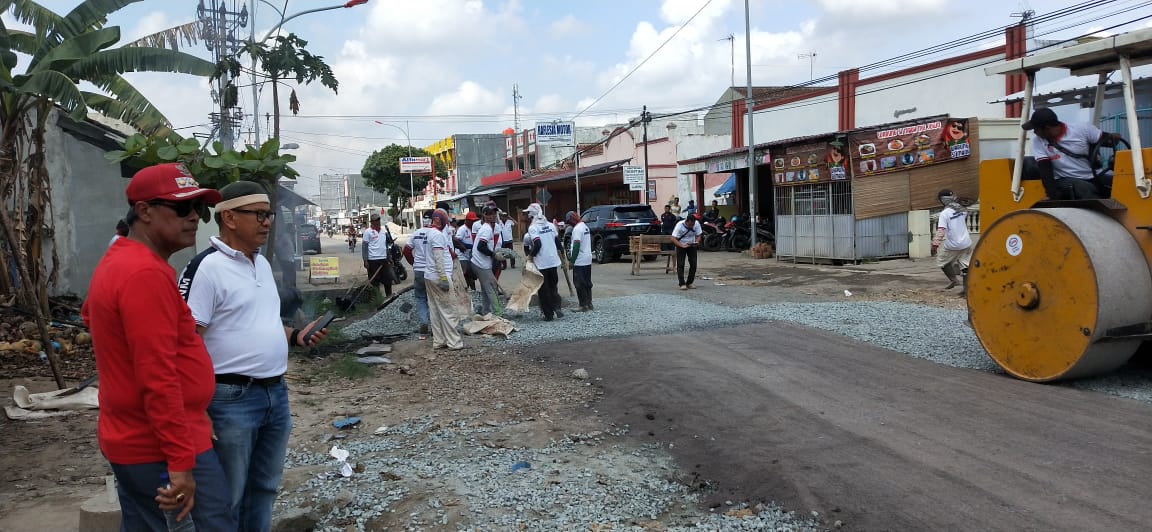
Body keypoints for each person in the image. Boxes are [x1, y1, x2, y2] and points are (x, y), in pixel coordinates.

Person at [81, 162, 234, 530]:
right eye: (181, 208)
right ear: (145, 211)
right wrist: (180, 462)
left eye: (197, 208)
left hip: (137, 435)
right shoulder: (144, 273)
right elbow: (158, 376)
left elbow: (91, 315)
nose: (194, 218)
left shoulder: (121, 259)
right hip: (160, 445)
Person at [180, 181, 328, 531]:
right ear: (229, 218)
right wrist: (196, 411)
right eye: (259, 215)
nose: (267, 223)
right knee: (226, 496)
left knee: (263, 487)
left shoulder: (259, 264)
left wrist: (296, 336)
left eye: (269, 214)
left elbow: (262, 321)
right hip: (230, 399)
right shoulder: (207, 269)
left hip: (275, 394)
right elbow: (187, 343)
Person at [1024, 107, 1121, 200]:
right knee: (1084, 188)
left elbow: (1109, 140)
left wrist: (1114, 138)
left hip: (1093, 175)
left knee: (1120, 184)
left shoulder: (1082, 129)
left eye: (1036, 129)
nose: (1035, 132)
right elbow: (1045, 170)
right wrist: (1052, 195)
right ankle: (1100, 214)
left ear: (1047, 127)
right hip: (1065, 179)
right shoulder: (1038, 142)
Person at [425, 209, 464, 350]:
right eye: (445, 219)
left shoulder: (428, 233)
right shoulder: (437, 235)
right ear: (439, 220)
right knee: (449, 310)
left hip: (429, 275)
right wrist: (443, 278)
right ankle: (454, 342)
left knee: (435, 310)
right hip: (438, 277)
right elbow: (438, 258)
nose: (447, 222)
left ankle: (439, 340)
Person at [524, 202, 564, 321]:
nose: (527, 217)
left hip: (541, 263)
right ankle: (557, 307)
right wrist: (563, 257)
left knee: (543, 289)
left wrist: (530, 257)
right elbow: (557, 243)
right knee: (553, 286)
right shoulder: (551, 225)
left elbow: (537, 244)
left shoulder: (533, 228)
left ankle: (548, 314)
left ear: (532, 215)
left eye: (528, 214)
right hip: (553, 261)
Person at [931, 189, 973, 295]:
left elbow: (941, 231)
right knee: (965, 266)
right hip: (966, 242)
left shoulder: (945, 213)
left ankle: (954, 280)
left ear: (943, 200)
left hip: (953, 245)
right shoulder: (962, 209)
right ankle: (966, 290)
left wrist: (935, 246)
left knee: (942, 261)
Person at [403, 213, 433, 335]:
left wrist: (414, 263)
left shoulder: (416, 233)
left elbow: (406, 250)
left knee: (421, 298)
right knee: (433, 298)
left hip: (419, 270)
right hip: (432, 271)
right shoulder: (435, 234)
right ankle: (436, 325)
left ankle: (424, 321)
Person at [471, 205, 504, 316]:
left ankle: (486, 311)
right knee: (492, 288)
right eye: (489, 214)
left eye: (494, 213)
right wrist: (494, 255)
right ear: (484, 215)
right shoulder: (487, 229)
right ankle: (498, 314)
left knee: (486, 288)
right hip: (481, 264)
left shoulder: (489, 227)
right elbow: (481, 246)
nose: (492, 216)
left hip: (479, 262)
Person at [363, 213, 396, 301]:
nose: (377, 222)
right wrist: (365, 260)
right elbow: (364, 247)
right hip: (372, 260)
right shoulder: (368, 232)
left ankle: (389, 297)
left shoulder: (383, 232)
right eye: (375, 221)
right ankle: (376, 299)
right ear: (372, 222)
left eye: (378, 220)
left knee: (387, 280)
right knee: (375, 281)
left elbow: (385, 245)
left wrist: (389, 257)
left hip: (384, 259)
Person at [566, 211, 594, 312]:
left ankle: (582, 305)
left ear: (572, 219)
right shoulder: (585, 227)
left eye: (569, 221)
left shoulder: (577, 229)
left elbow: (576, 246)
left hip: (580, 260)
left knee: (579, 283)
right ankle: (589, 303)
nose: (569, 224)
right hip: (587, 258)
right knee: (587, 282)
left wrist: (572, 261)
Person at [670, 213, 703, 290]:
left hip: (691, 245)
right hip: (681, 244)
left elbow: (699, 235)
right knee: (681, 264)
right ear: (686, 221)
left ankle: (689, 282)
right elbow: (673, 238)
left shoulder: (696, 224)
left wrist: (697, 242)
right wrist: (681, 246)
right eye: (690, 225)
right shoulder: (679, 225)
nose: (691, 226)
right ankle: (682, 283)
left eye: (693, 224)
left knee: (693, 263)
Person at [454, 211, 478, 291]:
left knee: (471, 274)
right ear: (467, 220)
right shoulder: (462, 229)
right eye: (471, 221)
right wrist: (468, 246)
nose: (473, 222)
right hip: (462, 256)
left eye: (474, 221)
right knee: (464, 274)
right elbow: (457, 241)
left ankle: (473, 290)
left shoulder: (475, 228)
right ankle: (464, 290)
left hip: (471, 255)